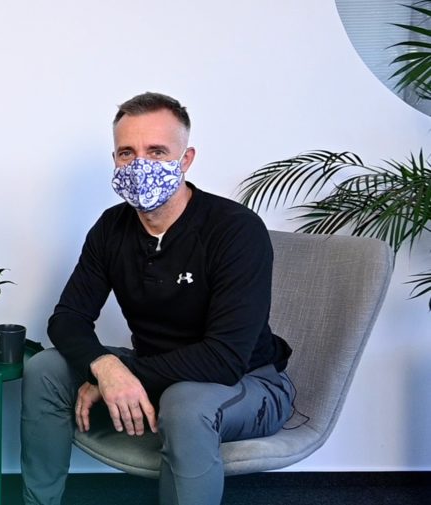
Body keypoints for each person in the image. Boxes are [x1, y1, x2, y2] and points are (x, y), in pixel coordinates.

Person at [20, 92, 294, 505]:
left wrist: (122, 377)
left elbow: (224, 358)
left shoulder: (235, 229)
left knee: (184, 402)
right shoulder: (111, 228)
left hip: (246, 382)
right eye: (127, 152)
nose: (140, 164)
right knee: (45, 368)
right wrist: (105, 368)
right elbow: (67, 318)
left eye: (157, 151)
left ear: (185, 160)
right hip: (156, 373)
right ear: (115, 160)